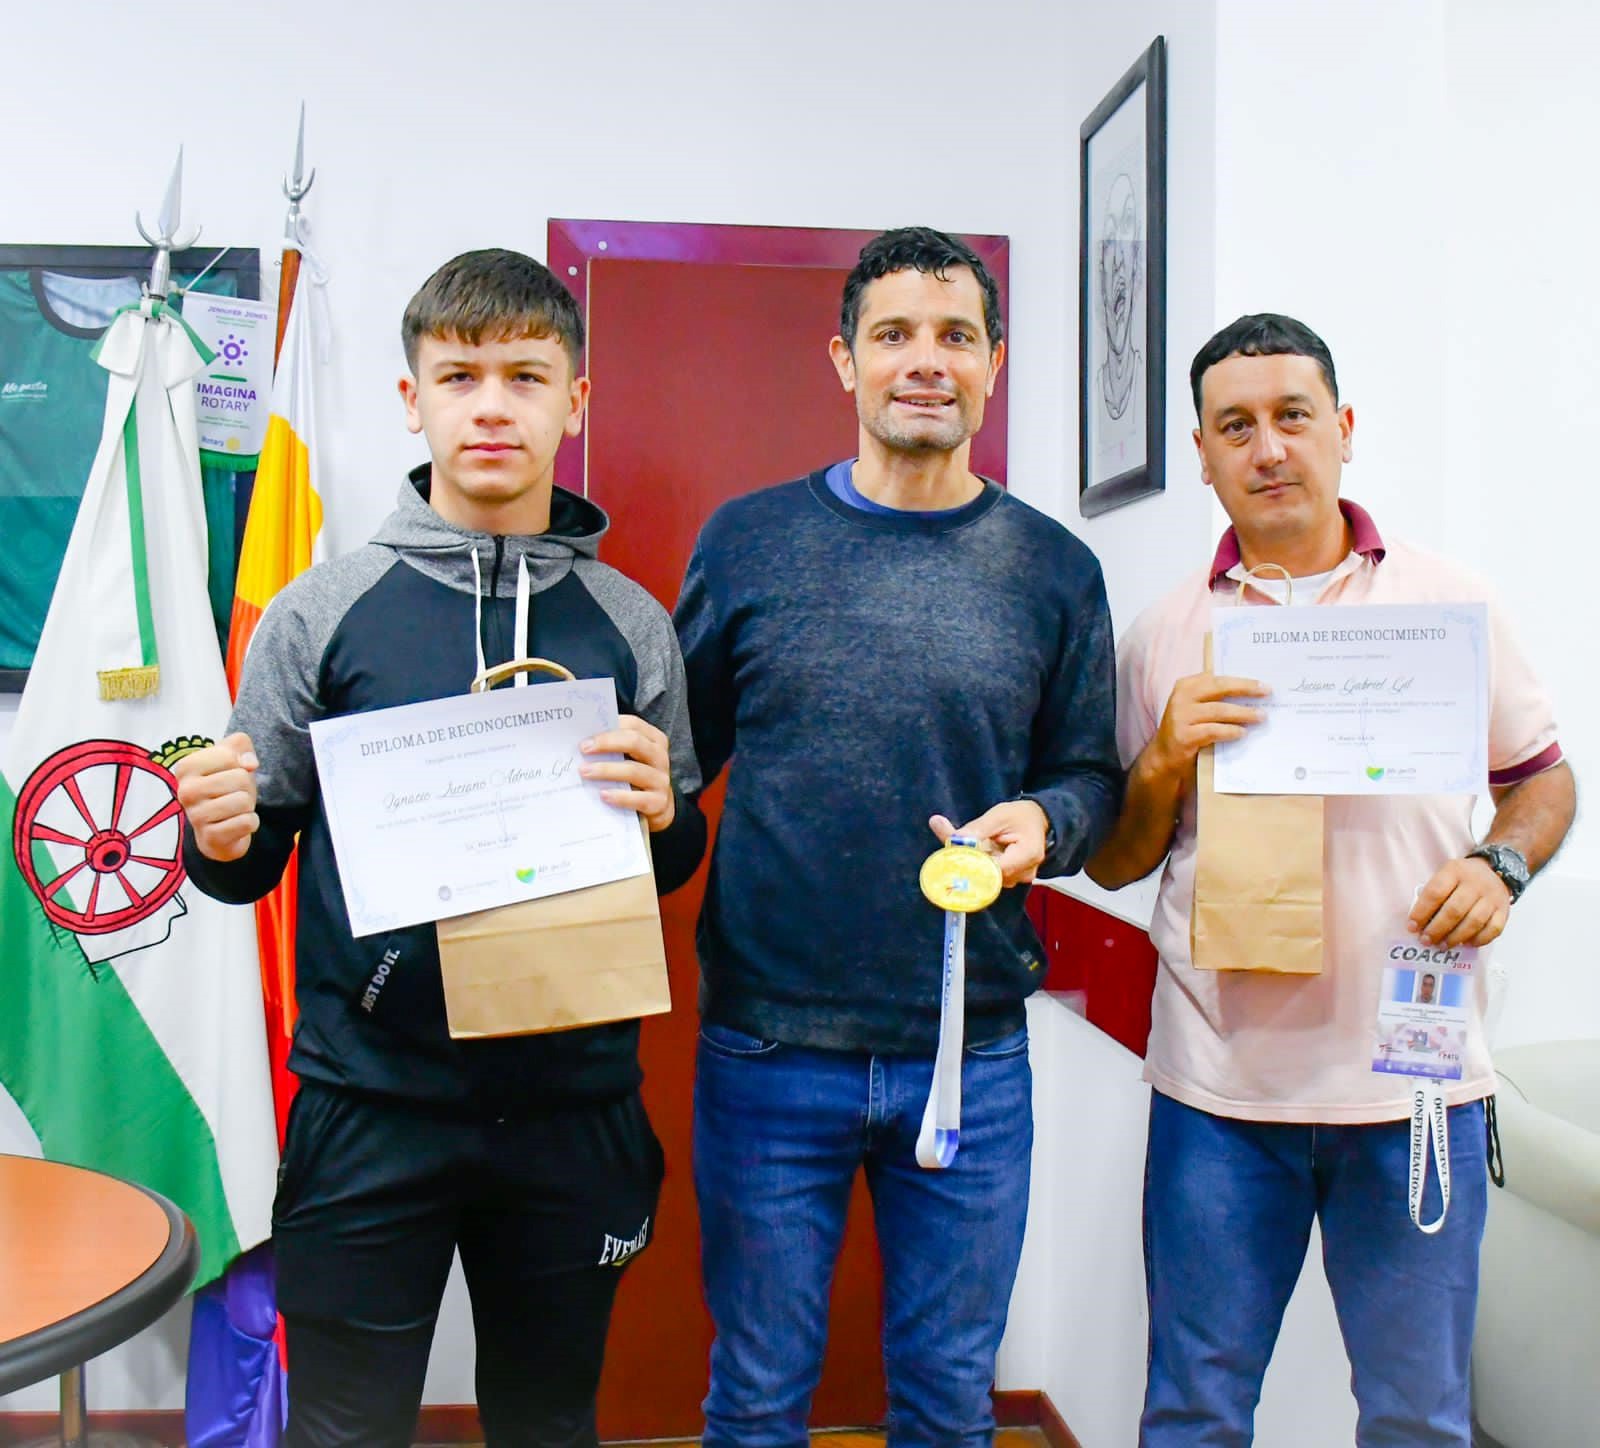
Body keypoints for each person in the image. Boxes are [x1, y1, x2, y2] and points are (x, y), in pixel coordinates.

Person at [175, 249, 706, 1448]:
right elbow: (248, 857)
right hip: (372, 1105)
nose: (491, 403)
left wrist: (665, 818)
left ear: (575, 399)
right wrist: (215, 833)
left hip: (574, 1109)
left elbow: (671, 857)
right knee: (345, 1429)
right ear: (410, 398)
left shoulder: (629, 619)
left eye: (527, 374)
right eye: (458, 374)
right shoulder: (323, 608)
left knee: (548, 1422)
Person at [1087, 313, 1575, 1446]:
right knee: (1194, 1411)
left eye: (1293, 416)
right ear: (1202, 456)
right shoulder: (1164, 633)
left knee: (1417, 1416)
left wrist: (1501, 864)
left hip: (1414, 1086)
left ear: (1343, 430)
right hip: (1218, 1095)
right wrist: (1161, 756)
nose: (1268, 448)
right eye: (1235, 426)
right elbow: (1116, 857)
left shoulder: (1448, 602)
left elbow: (1543, 781)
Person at [674, 225, 1122, 1446]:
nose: (925, 361)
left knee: (944, 1402)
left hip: (967, 1054)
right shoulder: (746, 541)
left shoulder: (1054, 569)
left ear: (993, 363)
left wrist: (1048, 816)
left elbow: (1088, 773)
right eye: (893, 335)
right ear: (843, 360)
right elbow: (672, 763)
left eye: (954, 336)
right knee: (756, 1397)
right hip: (769, 1047)